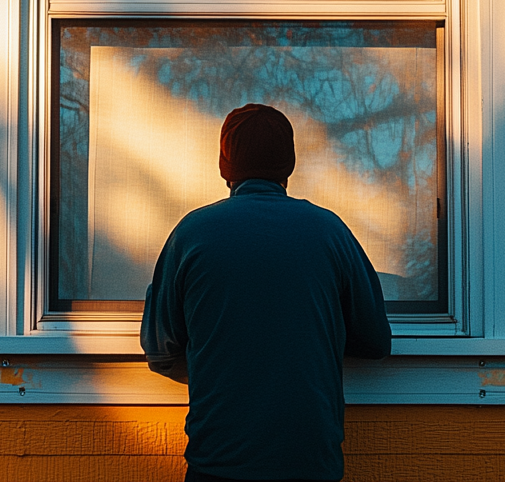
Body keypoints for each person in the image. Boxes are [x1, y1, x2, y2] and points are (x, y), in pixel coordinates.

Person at [141, 103, 393, 482]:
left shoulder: (192, 234)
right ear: (288, 164)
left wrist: (226, 365)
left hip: (219, 462)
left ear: (225, 166)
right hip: (310, 463)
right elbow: (375, 341)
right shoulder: (329, 232)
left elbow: (159, 350)